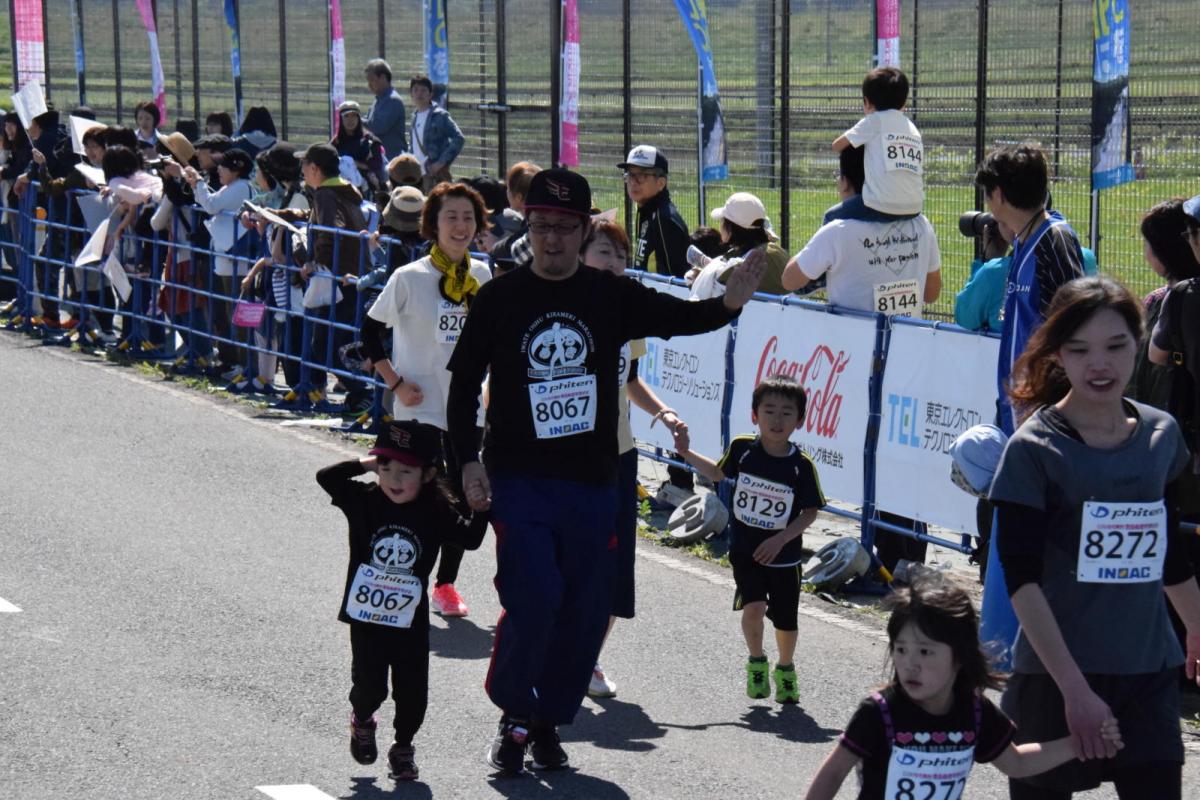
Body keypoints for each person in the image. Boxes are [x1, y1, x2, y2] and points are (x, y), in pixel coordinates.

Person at [445, 167, 766, 775]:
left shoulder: (608, 296)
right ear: (529, 228)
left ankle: (547, 721)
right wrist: (465, 462)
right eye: (542, 227)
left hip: (594, 481)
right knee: (534, 597)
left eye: (566, 228)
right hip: (520, 479)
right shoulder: (500, 300)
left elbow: (680, 318)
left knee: (585, 608)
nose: (553, 240)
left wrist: (729, 304)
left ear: (583, 226)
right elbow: (461, 388)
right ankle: (514, 715)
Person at [988, 276, 1200, 799]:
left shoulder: (1160, 436)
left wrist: (1197, 627)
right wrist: (1075, 691)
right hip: (1057, 678)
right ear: (1058, 354)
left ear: (1139, 341)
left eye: (1115, 346)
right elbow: (1021, 581)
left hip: (1147, 672)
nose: (1099, 365)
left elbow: (1166, 553)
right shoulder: (1033, 449)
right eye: (1080, 350)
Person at [804, 572, 1122, 800]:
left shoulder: (974, 712)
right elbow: (834, 772)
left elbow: (1017, 762)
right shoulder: (880, 712)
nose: (910, 664)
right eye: (901, 650)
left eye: (925, 651)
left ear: (959, 656)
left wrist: (1077, 743)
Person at [316, 420, 488, 781]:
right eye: (386, 467)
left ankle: (403, 746)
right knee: (370, 686)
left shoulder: (436, 510)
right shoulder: (363, 501)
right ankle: (362, 719)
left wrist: (482, 507)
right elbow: (326, 477)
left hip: (409, 620)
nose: (393, 479)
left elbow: (470, 540)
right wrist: (366, 464)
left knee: (412, 692)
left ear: (427, 475)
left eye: (405, 471)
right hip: (366, 616)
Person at [361, 182, 492, 618]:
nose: (460, 226)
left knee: (461, 496)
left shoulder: (483, 276)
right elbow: (369, 331)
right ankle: (403, 578)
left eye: (468, 218)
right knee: (415, 498)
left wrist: (492, 387)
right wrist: (395, 382)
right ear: (433, 224)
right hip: (418, 409)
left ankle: (446, 585)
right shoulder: (410, 277)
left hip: (467, 408)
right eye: (450, 217)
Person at [577, 217, 684, 699]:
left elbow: (631, 379)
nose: (614, 262)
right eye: (603, 252)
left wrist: (663, 412)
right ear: (580, 255)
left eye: (621, 255)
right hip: (565, 459)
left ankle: (587, 659)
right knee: (565, 562)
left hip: (618, 456)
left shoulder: (626, 310)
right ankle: (552, 652)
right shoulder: (559, 308)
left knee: (615, 571)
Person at [674, 375, 823, 704]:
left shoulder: (801, 466)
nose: (777, 419)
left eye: (787, 413)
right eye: (769, 411)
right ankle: (757, 662)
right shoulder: (742, 449)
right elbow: (716, 473)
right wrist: (685, 454)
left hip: (784, 557)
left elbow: (810, 512)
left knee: (785, 620)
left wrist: (781, 539)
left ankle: (785, 668)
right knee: (754, 607)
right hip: (745, 551)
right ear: (755, 415)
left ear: (800, 420)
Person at [782, 144, 941, 317]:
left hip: (850, 340)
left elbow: (789, 280)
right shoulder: (921, 225)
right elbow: (931, 294)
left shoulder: (836, 232)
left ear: (844, 182)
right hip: (905, 339)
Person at [291, 143, 368, 406]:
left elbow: (327, 232)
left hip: (336, 276)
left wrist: (314, 262)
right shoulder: (344, 191)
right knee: (338, 340)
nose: (301, 170)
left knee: (328, 344)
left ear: (314, 168)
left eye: (304, 165)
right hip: (352, 274)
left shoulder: (325, 194)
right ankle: (360, 392)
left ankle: (364, 393)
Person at [186, 148, 257, 384]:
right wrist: (196, 185)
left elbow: (210, 205)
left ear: (235, 169)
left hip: (237, 262)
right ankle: (241, 365)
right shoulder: (233, 187)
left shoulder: (240, 187)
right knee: (231, 314)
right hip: (227, 259)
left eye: (223, 166)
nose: (219, 169)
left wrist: (197, 182)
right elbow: (209, 202)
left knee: (240, 316)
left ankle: (248, 367)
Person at [955, 220, 1098, 334]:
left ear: (1009, 225)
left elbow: (965, 317)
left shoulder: (993, 272)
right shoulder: (1083, 258)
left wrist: (987, 260)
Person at [831, 66, 923, 220]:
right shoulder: (912, 129)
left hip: (879, 206)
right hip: (915, 208)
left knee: (831, 216)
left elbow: (837, 145)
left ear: (867, 102)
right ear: (904, 103)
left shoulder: (874, 121)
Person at [691, 191, 790, 298]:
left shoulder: (735, 270)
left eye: (723, 220)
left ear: (731, 228)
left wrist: (699, 278)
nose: (720, 224)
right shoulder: (778, 251)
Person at [620, 144, 689, 278]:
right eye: (630, 175)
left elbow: (676, 280)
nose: (633, 182)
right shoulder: (647, 211)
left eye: (641, 176)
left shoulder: (665, 219)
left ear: (661, 183)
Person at [408, 74, 464, 192]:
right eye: (416, 90)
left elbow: (458, 138)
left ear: (430, 94)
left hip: (435, 176)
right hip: (417, 177)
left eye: (424, 90)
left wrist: (441, 163)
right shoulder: (414, 117)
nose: (419, 94)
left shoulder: (439, 116)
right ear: (411, 95)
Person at [490, 160, 540, 274]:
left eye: (508, 188)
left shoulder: (534, 224)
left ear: (518, 197)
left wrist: (493, 246)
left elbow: (513, 248)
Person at [333, 101, 386, 188]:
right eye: (346, 116)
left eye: (354, 116)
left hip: (366, 189)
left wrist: (354, 163)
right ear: (340, 119)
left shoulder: (370, 141)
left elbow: (377, 165)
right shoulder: (335, 142)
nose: (350, 120)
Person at [363, 58, 408, 161]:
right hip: (381, 159)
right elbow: (368, 121)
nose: (369, 85)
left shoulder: (392, 100)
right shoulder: (377, 101)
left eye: (372, 80)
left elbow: (378, 126)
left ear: (383, 78)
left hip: (393, 160)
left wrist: (356, 119)